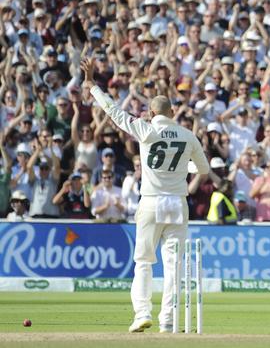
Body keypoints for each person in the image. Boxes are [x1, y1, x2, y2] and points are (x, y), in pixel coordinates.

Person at [81, 58, 210, 333]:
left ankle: (142, 314)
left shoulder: (145, 128)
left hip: (151, 201)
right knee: (174, 266)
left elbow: (114, 112)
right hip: (177, 203)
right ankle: (168, 319)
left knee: (143, 261)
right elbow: (203, 169)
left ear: (151, 112)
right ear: (172, 112)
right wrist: (181, 164)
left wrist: (93, 87)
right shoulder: (188, 135)